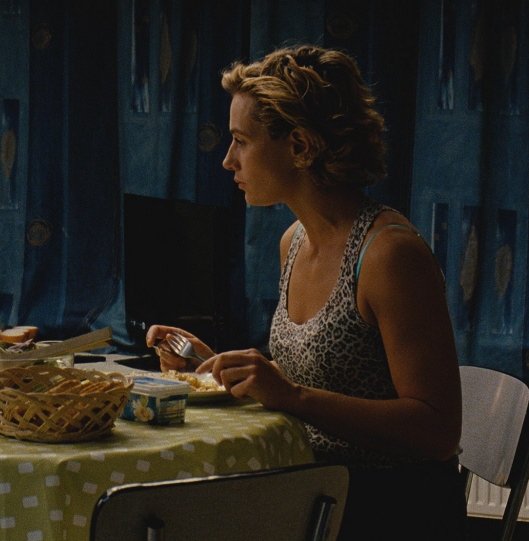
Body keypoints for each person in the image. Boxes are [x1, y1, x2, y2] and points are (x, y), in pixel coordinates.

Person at [146, 45, 465, 540]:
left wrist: (290, 396)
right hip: (313, 496)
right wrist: (214, 368)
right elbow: (315, 381)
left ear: (299, 146)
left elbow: (438, 431)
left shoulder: (388, 255)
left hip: (389, 510)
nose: (228, 160)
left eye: (241, 141)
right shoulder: (292, 242)